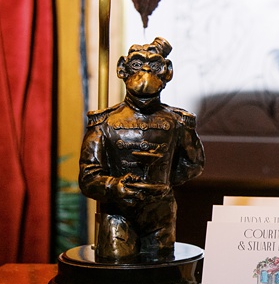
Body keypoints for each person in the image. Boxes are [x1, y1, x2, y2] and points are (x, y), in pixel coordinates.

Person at [78, 38, 204, 262]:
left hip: (160, 213)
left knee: (160, 269)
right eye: (137, 65)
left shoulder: (177, 122)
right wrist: (116, 186)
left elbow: (193, 164)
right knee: (116, 266)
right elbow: (88, 177)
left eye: (153, 66)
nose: (145, 73)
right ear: (122, 69)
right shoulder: (104, 122)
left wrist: (162, 182)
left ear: (167, 72)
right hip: (117, 213)